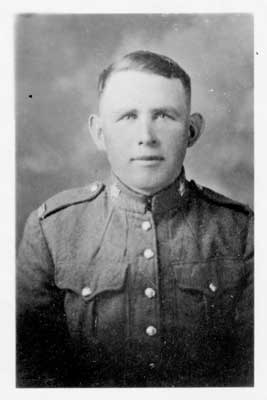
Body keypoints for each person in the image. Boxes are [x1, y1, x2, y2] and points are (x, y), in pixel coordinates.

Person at [16, 50, 253, 388]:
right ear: (99, 133)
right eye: (127, 116)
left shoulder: (242, 232)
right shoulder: (52, 231)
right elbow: (29, 374)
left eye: (164, 116)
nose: (146, 135)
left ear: (192, 130)